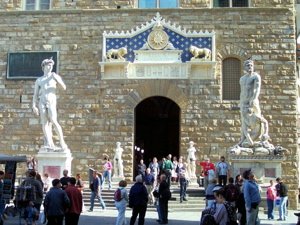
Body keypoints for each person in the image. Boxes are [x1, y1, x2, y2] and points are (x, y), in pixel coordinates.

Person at [32, 57, 68, 150]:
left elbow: (64, 87)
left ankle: (62, 142)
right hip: (42, 101)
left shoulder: (54, 76)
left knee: (53, 120)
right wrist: (34, 106)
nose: (50, 67)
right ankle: (49, 143)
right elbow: (35, 94)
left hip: (51, 100)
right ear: (44, 66)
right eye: (48, 65)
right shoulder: (39, 80)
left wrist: (58, 81)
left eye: (51, 65)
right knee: (44, 123)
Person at [238, 58, 269, 147]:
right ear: (244, 67)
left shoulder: (255, 76)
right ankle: (243, 139)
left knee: (257, 119)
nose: (250, 67)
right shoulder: (242, 78)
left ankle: (260, 138)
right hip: (243, 101)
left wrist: (254, 98)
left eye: (251, 65)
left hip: (253, 100)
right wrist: (241, 102)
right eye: (248, 65)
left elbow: (257, 89)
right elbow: (242, 91)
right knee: (244, 120)